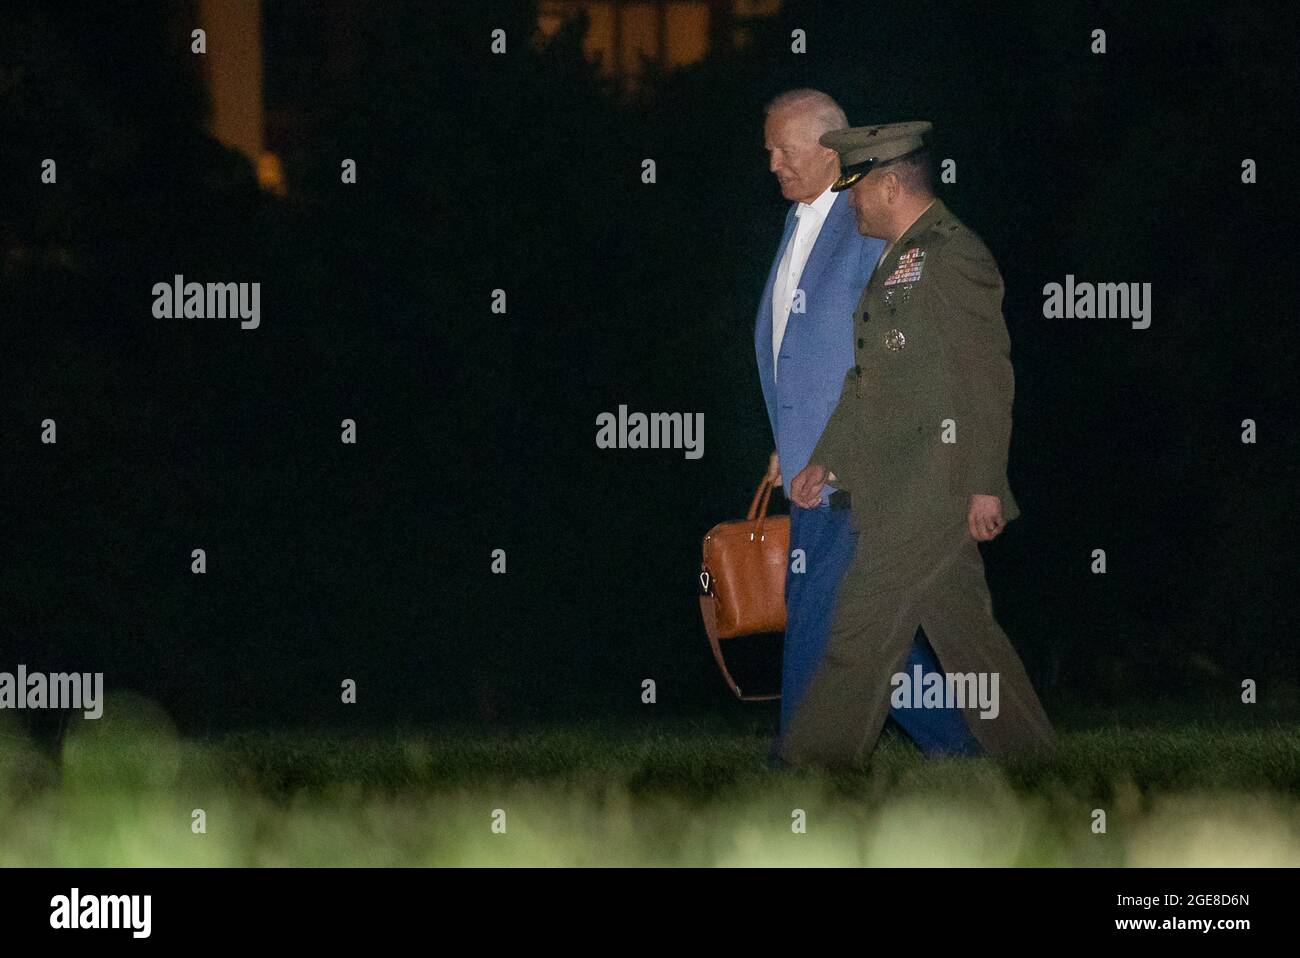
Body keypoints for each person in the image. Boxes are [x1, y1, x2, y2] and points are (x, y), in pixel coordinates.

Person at [778, 121, 1056, 768]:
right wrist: (827, 458)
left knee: (860, 629)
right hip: (901, 481)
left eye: (858, 190)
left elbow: (986, 374)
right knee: (967, 636)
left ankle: (810, 770)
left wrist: (985, 480)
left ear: (892, 183)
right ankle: (1033, 759)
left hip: (933, 481)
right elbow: (869, 377)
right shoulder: (899, 257)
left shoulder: (953, 255)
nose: (850, 203)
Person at [757, 93, 978, 754]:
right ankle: (973, 746)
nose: (770, 163)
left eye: (781, 150)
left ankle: (799, 762)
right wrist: (786, 442)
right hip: (810, 469)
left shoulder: (869, 224)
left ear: (829, 150)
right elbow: (799, 349)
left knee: (820, 614)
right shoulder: (798, 224)